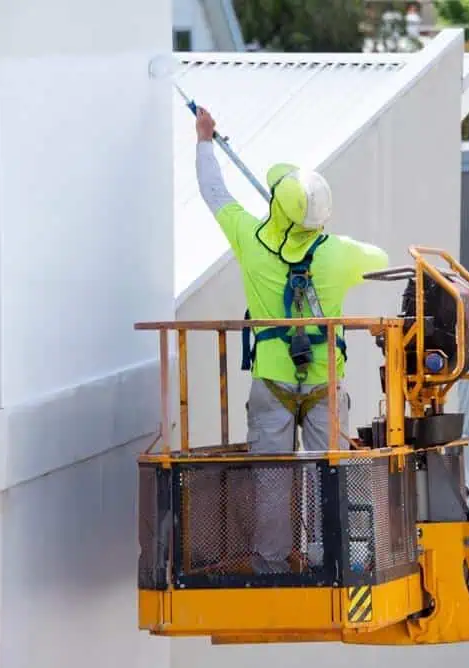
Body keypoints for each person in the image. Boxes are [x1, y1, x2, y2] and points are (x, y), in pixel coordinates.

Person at [194, 106, 389, 574]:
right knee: (329, 475)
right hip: (325, 383)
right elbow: (380, 257)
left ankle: (272, 563)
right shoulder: (337, 254)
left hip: (272, 384)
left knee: (272, 480)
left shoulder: (249, 239)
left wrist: (205, 139)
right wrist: (326, 242)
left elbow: (214, 192)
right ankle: (326, 558)